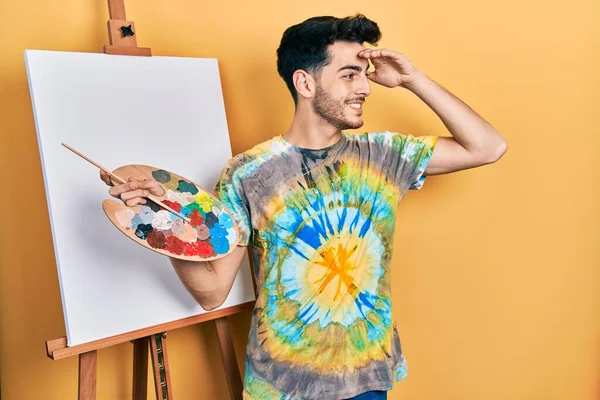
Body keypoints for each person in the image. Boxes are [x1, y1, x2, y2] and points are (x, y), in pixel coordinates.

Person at [101, 14, 507, 400]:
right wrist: (159, 223)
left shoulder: (383, 155)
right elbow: (210, 292)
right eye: (349, 75)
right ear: (305, 83)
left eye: (363, 75)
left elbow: (488, 146)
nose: (364, 87)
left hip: (367, 378)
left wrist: (413, 80)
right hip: (283, 386)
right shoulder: (248, 174)